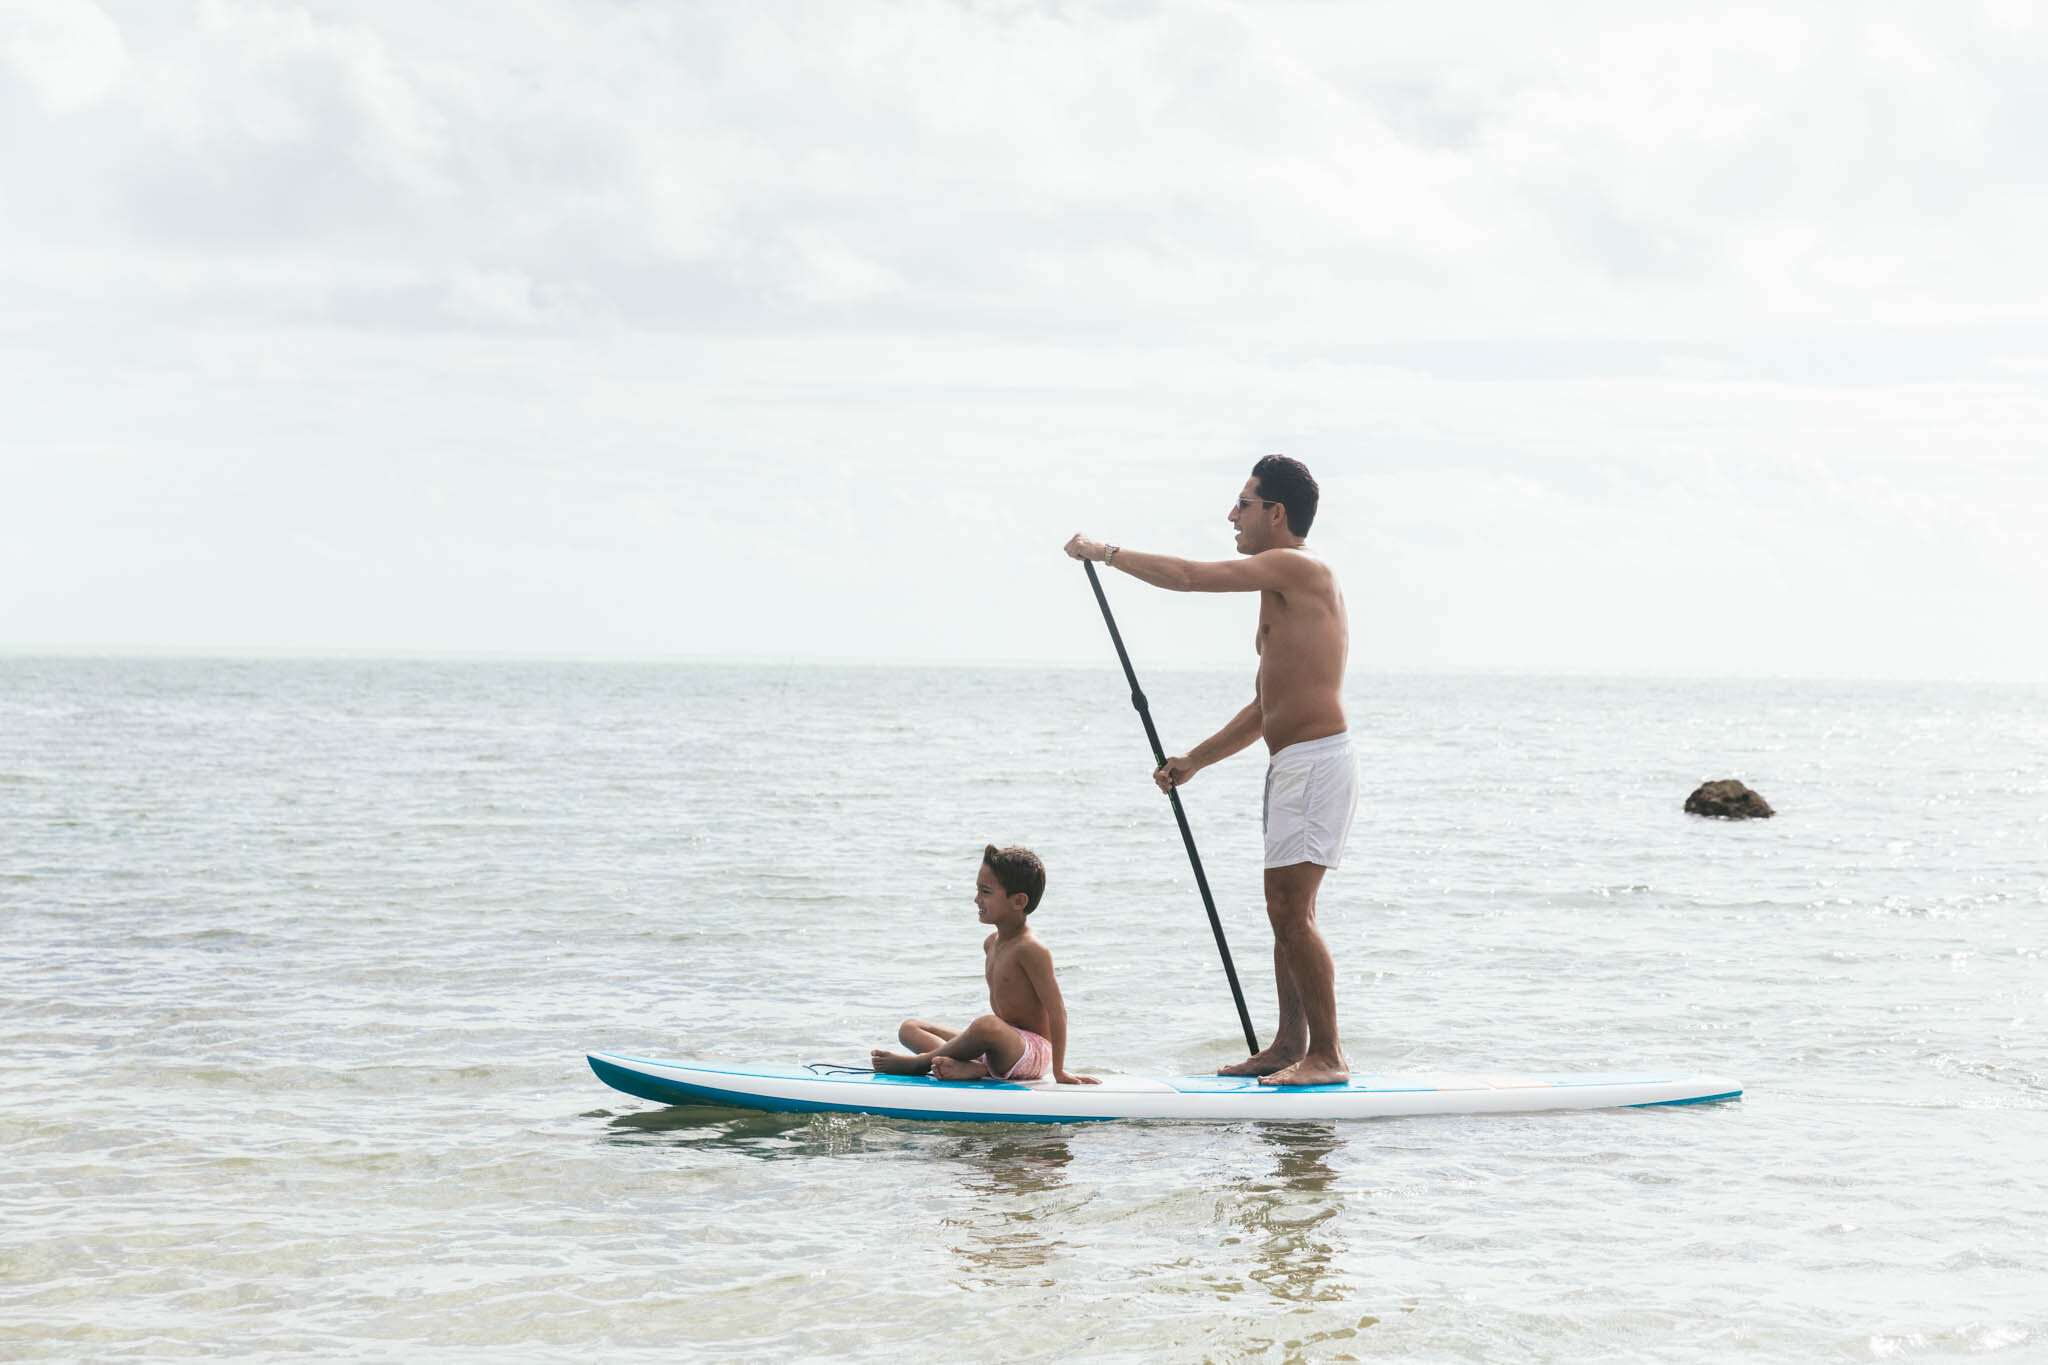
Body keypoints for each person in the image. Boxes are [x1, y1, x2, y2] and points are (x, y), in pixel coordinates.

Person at [1062, 454, 1356, 1087]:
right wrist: (1195, 760)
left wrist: (1104, 552)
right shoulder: (1279, 586)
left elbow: (1189, 577)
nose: (1232, 515)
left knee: (1291, 909)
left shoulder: (1296, 566)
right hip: (1294, 765)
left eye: (1243, 504)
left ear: (1276, 514)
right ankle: (1288, 1047)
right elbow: (1264, 708)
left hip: (1316, 764)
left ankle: (1327, 1056)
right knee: (1284, 909)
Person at [871, 844, 1100, 1085]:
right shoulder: (991, 943)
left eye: (986, 892)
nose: (976, 899)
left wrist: (1059, 1071)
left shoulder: (1030, 948)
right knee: (911, 1027)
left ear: (1019, 901)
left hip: (1031, 1052)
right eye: (977, 890)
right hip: (998, 1044)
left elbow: (1058, 1011)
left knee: (987, 1024)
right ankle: (970, 1067)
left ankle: (921, 1062)